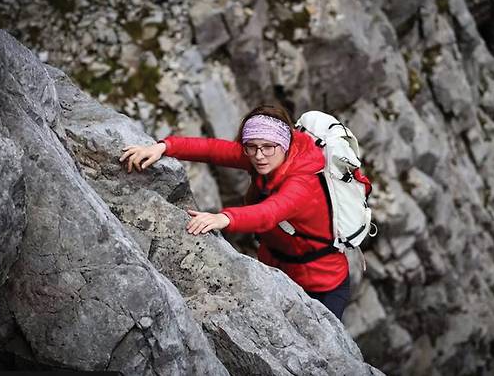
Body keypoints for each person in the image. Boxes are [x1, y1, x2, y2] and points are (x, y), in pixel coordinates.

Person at [119, 104, 351, 319]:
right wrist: (164, 146)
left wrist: (224, 217)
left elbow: (269, 213)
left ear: (285, 144)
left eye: (268, 148)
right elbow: (212, 149)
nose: (259, 155)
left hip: (322, 285)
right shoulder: (264, 156)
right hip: (276, 268)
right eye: (251, 147)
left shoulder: (303, 182)